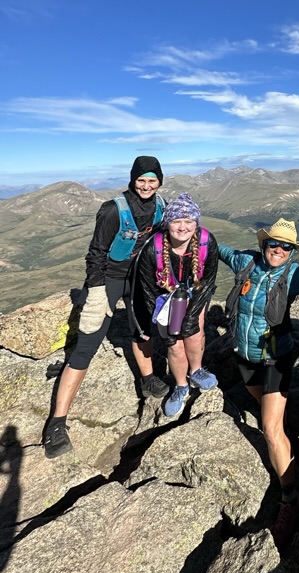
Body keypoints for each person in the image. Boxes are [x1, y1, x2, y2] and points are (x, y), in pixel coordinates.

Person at [44, 156, 168, 459]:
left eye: (152, 180)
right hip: (109, 278)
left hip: (140, 276)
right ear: (133, 180)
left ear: (160, 181)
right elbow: (96, 253)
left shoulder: (161, 205)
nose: (147, 186)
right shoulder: (114, 209)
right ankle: (56, 423)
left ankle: (148, 378)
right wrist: (97, 291)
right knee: (87, 343)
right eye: (142, 180)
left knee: (142, 330)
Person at [219, 219, 299, 550]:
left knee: (270, 429)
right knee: (272, 421)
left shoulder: (294, 274)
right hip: (244, 358)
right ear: (264, 243)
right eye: (274, 243)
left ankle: (290, 499)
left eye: (286, 246)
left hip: (275, 358)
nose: (279, 250)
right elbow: (216, 249)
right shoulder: (246, 262)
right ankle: (289, 450)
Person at [132, 193, 219, 418]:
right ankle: (181, 385)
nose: (183, 227)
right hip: (164, 296)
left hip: (195, 292)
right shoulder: (153, 250)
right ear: (167, 223)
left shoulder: (207, 242)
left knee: (194, 333)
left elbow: (207, 282)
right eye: (176, 221)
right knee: (174, 344)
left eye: (189, 221)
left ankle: (197, 370)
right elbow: (148, 291)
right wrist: (162, 325)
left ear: (196, 223)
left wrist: (192, 316)